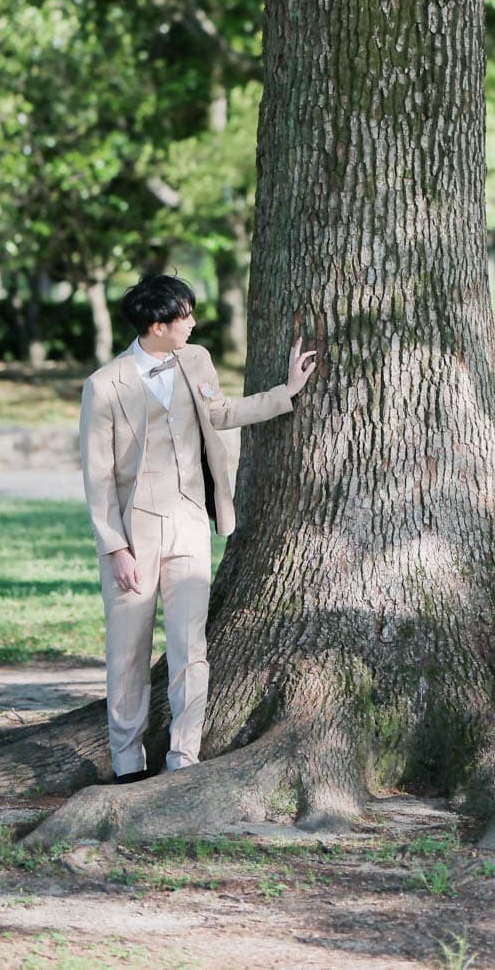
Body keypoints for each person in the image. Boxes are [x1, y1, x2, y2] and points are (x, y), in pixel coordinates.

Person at [80, 273, 316, 782]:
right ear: (156, 326)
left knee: (191, 647)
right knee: (129, 650)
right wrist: (115, 548)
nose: (192, 322)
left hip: (190, 522)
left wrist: (286, 391)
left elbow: (222, 412)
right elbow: (97, 479)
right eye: (183, 316)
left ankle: (183, 757)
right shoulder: (104, 385)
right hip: (134, 531)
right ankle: (126, 762)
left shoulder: (196, 359)